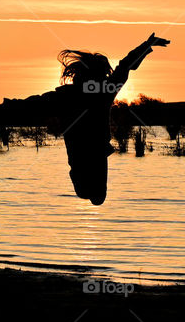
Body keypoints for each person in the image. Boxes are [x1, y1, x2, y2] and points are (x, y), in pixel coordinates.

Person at [45, 33, 169, 205]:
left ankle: (87, 185)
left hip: (89, 154)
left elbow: (124, 67)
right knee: (94, 196)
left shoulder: (85, 93)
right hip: (87, 154)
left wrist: (146, 46)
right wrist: (146, 46)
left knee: (95, 196)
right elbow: (125, 67)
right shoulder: (98, 92)